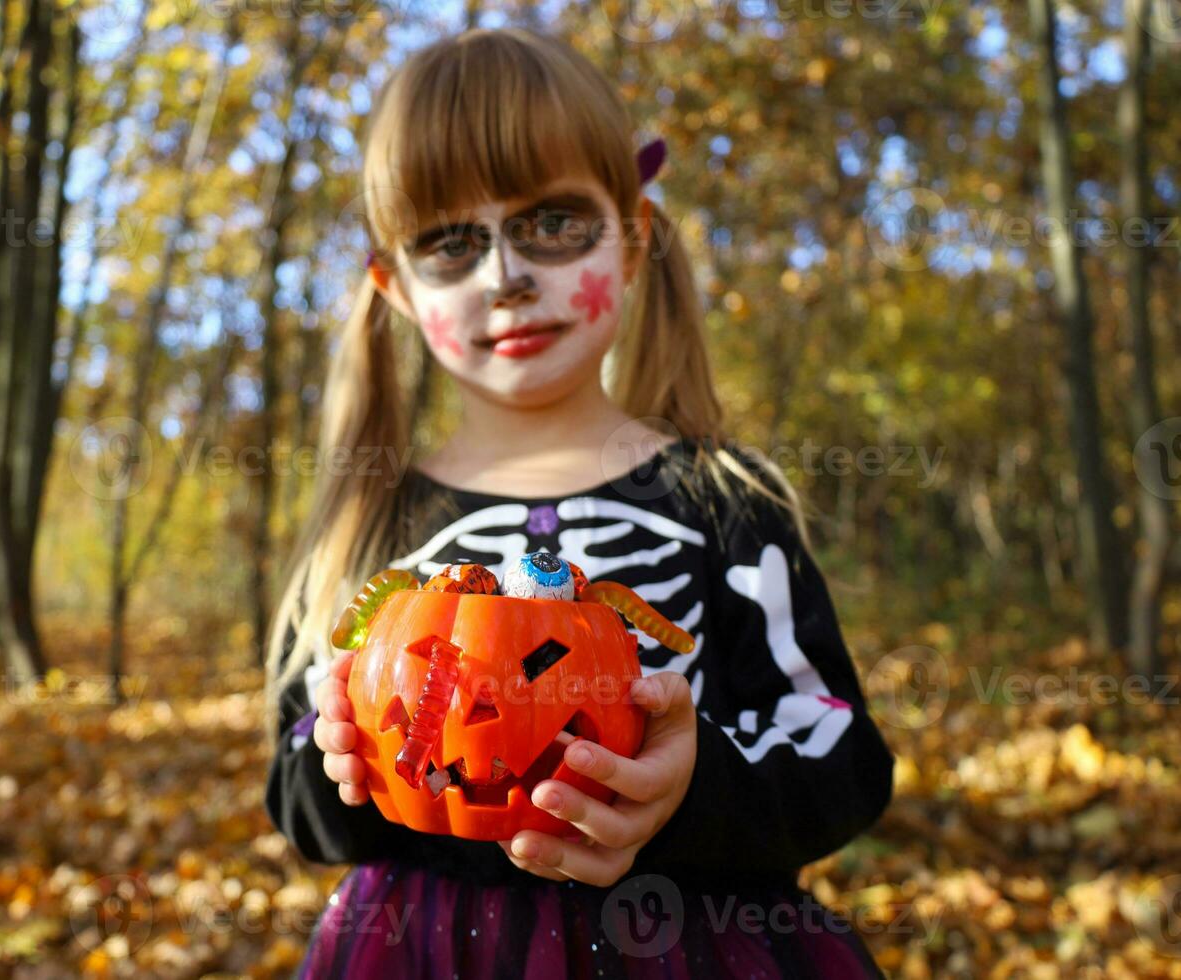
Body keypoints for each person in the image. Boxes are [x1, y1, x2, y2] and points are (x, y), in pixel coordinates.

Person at [263, 27, 894, 978]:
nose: (506, 275)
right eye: (449, 242)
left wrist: (693, 792)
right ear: (394, 289)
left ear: (633, 239)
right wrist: (340, 759)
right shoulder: (371, 527)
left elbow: (843, 762)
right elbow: (295, 795)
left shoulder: (723, 503)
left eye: (553, 223)